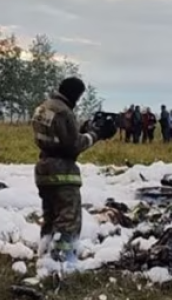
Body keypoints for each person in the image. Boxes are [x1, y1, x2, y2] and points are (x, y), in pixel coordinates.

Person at [31, 77, 117, 267]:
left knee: (50, 216)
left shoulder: (43, 108)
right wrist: (96, 134)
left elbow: (58, 137)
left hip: (43, 169)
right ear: (75, 94)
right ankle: (62, 260)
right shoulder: (64, 112)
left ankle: (44, 254)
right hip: (62, 172)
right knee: (68, 218)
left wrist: (81, 130)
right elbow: (73, 146)